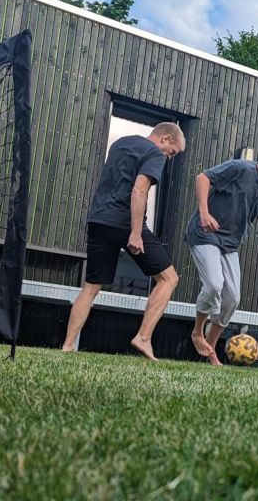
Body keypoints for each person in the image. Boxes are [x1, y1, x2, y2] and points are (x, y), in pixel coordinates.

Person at [62, 122, 185, 361]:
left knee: (91, 287)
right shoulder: (154, 153)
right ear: (166, 139)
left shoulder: (121, 144)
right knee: (169, 278)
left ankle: (67, 346)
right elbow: (139, 191)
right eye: (173, 152)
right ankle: (144, 337)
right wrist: (136, 233)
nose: (170, 158)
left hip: (99, 218)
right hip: (124, 221)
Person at [187, 145, 258, 365]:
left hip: (230, 244)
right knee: (214, 284)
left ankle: (209, 349)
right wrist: (204, 213)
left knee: (232, 299)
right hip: (205, 234)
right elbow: (203, 177)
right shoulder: (239, 169)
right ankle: (197, 332)